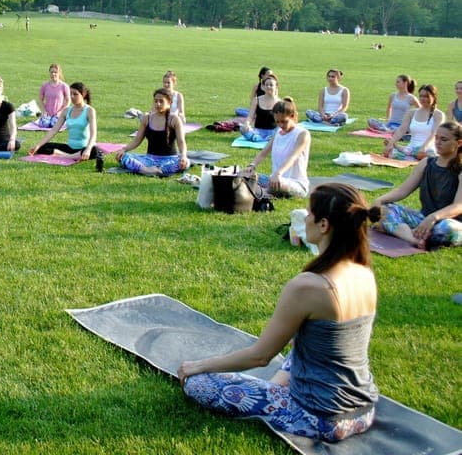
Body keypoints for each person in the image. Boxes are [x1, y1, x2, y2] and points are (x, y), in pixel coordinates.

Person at [179, 183, 380, 444]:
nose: (304, 218)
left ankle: (276, 392)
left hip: (321, 419)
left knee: (198, 383)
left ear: (323, 225)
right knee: (298, 349)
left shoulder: (309, 286)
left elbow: (260, 356)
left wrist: (196, 366)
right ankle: (279, 387)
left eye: (309, 213)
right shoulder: (364, 273)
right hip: (364, 411)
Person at [373, 122, 462, 249]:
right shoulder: (426, 163)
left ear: (459, 143)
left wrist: (434, 217)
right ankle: (413, 239)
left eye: (444, 139)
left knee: (443, 229)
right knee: (385, 210)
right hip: (424, 218)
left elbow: (459, 206)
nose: (437, 142)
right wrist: (380, 200)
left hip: (450, 222)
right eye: (436, 138)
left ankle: (403, 230)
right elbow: (402, 190)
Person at [28, 82, 104, 172]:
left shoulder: (90, 111)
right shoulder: (66, 111)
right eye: (70, 94)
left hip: (83, 148)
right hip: (69, 148)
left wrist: (88, 149)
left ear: (83, 95)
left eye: (75, 94)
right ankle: (69, 155)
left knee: (95, 151)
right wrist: (38, 145)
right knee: (43, 147)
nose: (72, 97)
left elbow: (93, 134)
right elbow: (54, 130)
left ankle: (64, 155)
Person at [116, 88, 189, 176]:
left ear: (169, 103)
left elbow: (181, 141)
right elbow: (137, 140)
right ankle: (148, 170)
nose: (158, 104)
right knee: (124, 157)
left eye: (161, 101)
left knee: (186, 162)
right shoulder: (147, 118)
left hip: (169, 160)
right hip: (148, 160)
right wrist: (124, 149)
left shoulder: (174, 119)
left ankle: (154, 170)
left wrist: (183, 155)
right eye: (156, 101)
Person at [246, 98, 311, 198]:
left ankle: (260, 192)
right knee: (244, 175)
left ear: (292, 116)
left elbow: (293, 157)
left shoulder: (302, 134)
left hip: (295, 184)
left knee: (276, 184)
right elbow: (263, 153)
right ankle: (258, 190)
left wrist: (278, 173)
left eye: (284, 122)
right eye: (278, 122)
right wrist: (252, 166)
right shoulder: (277, 133)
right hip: (274, 179)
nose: (280, 125)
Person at [383, 84, 443, 160]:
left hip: (428, 148)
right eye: (421, 96)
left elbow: (434, 134)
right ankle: (402, 151)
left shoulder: (438, 114)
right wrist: (391, 143)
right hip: (411, 148)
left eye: (426, 96)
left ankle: (400, 150)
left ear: (434, 97)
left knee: (428, 153)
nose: (423, 99)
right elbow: (401, 130)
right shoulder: (411, 113)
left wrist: (423, 147)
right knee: (394, 152)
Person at [240, 73, 279, 142]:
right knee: (242, 128)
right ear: (263, 87)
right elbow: (250, 116)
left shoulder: (280, 102)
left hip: (273, 132)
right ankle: (262, 139)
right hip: (258, 131)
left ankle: (265, 139)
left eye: (271, 85)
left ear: (276, 87)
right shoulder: (256, 100)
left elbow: (282, 122)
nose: (268, 87)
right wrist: (247, 123)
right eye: (266, 85)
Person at [37, 63, 69, 128]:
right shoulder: (45, 85)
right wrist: (44, 111)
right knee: (44, 125)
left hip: (58, 114)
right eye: (51, 72)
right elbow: (40, 100)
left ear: (59, 73)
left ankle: (62, 120)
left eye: (55, 72)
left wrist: (61, 112)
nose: (53, 74)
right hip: (47, 113)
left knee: (54, 125)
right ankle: (44, 119)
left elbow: (68, 101)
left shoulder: (64, 86)